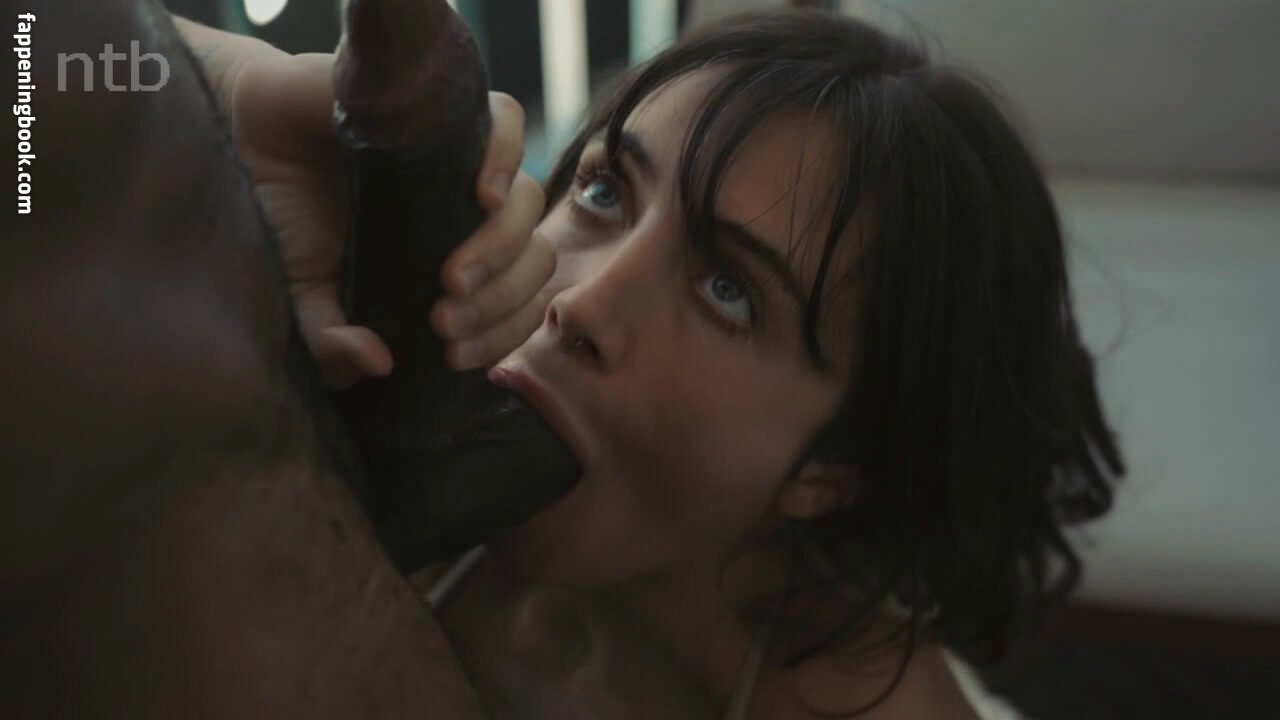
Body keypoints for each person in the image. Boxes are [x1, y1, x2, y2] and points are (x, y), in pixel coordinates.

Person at [8, 6, 1122, 719]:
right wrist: (230, 93)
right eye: (601, 191)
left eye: (728, 292)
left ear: (832, 468)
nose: (578, 300)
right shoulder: (388, 383)